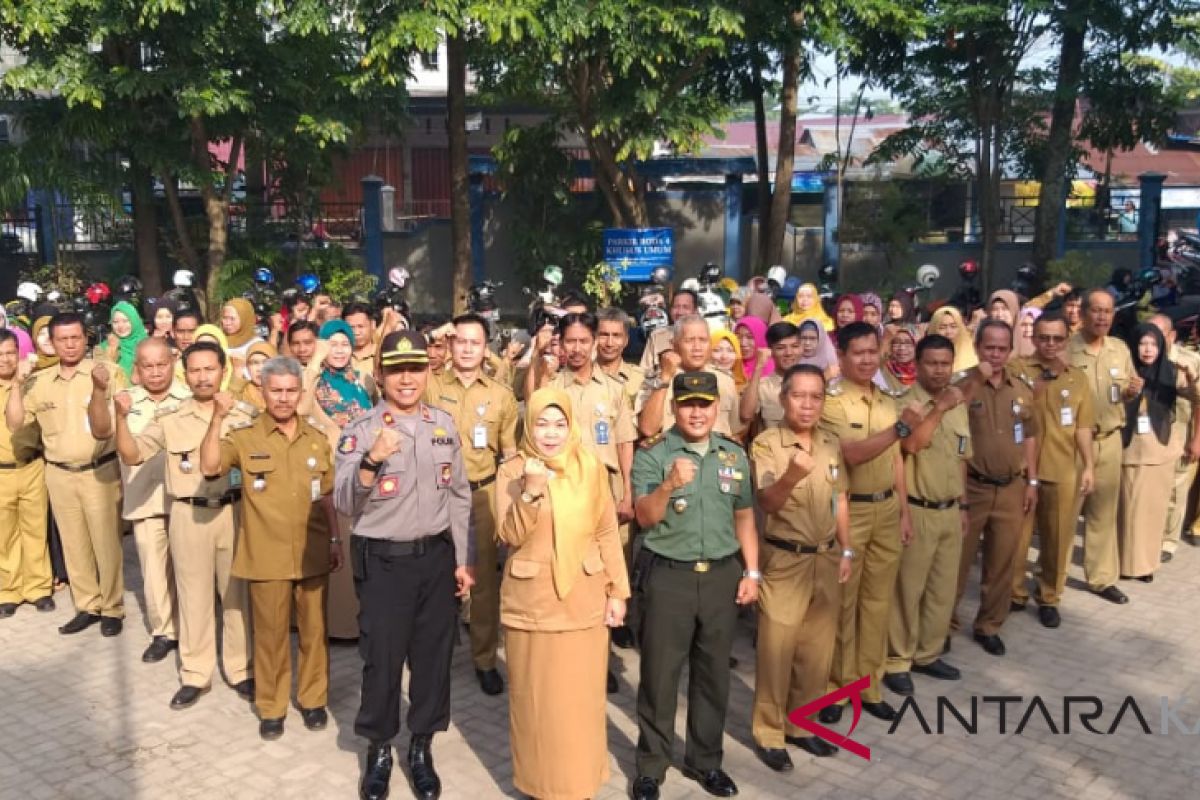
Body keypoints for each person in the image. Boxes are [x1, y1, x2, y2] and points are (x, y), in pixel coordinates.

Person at [333, 330, 474, 800]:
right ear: (380, 375)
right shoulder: (361, 430)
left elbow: (459, 496)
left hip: (435, 559)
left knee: (434, 659)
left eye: (415, 368)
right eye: (397, 370)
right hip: (384, 561)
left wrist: (461, 559)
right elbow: (345, 501)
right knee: (382, 660)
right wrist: (372, 459)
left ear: (428, 371)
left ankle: (421, 746)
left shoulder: (444, 425)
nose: (407, 378)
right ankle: (378, 748)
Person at [630, 371, 760, 800]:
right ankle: (651, 767)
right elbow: (645, 516)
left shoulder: (732, 455)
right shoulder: (654, 454)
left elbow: (744, 516)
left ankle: (706, 762)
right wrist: (669, 483)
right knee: (660, 677)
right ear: (675, 407)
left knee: (712, 677)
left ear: (715, 407)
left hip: (722, 575)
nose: (698, 412)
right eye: (689, 404)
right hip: (669, 577)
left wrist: (752, 571)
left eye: (705, 404)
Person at [495, 387, 630, 799]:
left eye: (559, 423)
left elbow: (606, 532)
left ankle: (579, 785)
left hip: (584, 602)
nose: (551, 433)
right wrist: (532, 491)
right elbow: (508, 534)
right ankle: (541, 787)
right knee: (536, 706)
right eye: (541, 423)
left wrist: (618, 591)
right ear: (528, 425)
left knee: (579, 706)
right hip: (532, 605)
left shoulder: (589, 466)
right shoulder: (512, 471)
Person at [199, 356, 339, 740]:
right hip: (266, 555)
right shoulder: (244, 439)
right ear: (261, 392)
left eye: (290, 390)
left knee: (314, 633)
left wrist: (334, 537)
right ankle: (272, 706)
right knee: (271, 636)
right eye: (275, 390)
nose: (282, 398)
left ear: (301, 392)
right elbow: (210, 466)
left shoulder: (315, 438)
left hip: (311, 551)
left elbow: (326, 495)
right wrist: (215, 419)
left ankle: (313, 701)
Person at [109, 341, 255, 709]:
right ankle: (195, 672)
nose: (203, 377)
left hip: (233, 513)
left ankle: (240, 668)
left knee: (236, 595)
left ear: (224, 371)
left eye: (210, 369)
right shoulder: (170, 418)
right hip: (188, 515)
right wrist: (121, 419)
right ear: (184, 375)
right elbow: (132, 453)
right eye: (195, 370)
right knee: (192, 597)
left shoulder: (246, 415)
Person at [749, 365, 851, 769]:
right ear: (783, 398)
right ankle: (769, 732)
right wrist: (791, 475)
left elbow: (839, 498)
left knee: (816, 652)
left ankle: (802, 725)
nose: (808, 404)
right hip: (785, 560)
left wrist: (847, 549)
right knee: (777, 651)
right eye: (799, 395)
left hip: (825, 558)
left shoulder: (830, 443)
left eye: (816, 396)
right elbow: (767, 503)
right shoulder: (767, 444)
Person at [818, 321, 920, 723]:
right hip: (851, 511)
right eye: (857, 352)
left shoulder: (886, 398)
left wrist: (905, 510)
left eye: (871, 351)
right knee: (843, 605)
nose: (866, 359)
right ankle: (837, 690)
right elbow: (851, 455)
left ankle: (869, 685)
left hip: (886, 510)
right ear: (841, 357)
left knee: (878, 604)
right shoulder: (833, 401)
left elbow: (896, 458)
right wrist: (899, 429)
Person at [6, 312, 127, 636]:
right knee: (74, 544)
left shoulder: (108, 373)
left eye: (75, 337)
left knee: (106, 543)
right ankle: (87, 604)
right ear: (53, 343)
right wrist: (17, 385)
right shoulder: (40, 382)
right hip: (58, 473)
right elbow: (16, 423)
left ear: (85, 338)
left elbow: (119, 422)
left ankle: (112, 606)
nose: (70, 344)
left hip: (99, 471)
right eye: (63, 339)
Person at [423, 313, 519, 696]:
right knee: (433, 579)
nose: (466, 348)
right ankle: (433, 658)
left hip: (482, 494)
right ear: (449, 344)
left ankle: (483, 659)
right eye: (459, 341)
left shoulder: (501, 396)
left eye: (474, 342)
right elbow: (391, 371)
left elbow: (509, 452)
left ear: (486, 348)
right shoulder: (428, 385)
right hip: (434, 494)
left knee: (482, 584)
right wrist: (431, 334)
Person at [883, 335, 970, 697]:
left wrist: (963, 505)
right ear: (917, 365)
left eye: (945, 363)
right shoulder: (906, 404)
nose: (939, 370)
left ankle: (928, 653)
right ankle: (898, 660)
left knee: (941, 589)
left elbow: (962, 456)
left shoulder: (959, 404)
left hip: (950, 509)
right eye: (932, 363)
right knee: (908, 589)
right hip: (917, 509)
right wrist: (939, 408)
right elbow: (911, 445)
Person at [96, 338, 190, 663]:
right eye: (147, 366)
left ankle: (193, 631)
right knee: (153, 572)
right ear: (137, 368)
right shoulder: (125, 401)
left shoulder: (191, 398)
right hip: (145, 501)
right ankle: (164, 632)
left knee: (189, 572)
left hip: (186, 503)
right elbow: (101, 431)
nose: (154, 372)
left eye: (160, 364)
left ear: (172, 363)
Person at [953, 320, 1038, 657]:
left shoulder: (1021, 387)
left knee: (1002, 563)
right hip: (973, 488)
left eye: (1003, 348)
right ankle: (945, 624)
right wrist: (978, 376)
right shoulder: (963, 386)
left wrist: (1032, 480)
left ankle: (989, 625)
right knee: (958, 563)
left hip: (1011, 488)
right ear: (977, 347)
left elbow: (1030, 435)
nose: (996, 355)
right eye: (990, 347)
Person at [1010, 315, 1095, 628]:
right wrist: (1039, 385)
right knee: (1017, 538)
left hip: (1062, 469)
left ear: (1066, 339)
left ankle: (1049, 596)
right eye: (1044, 337)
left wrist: (1088, 465)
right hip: (1022, 468)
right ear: (1033, 338)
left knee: (1058, 538)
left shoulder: (1078, 378)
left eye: (1057, 339)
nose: (1050, 344)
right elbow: (1012, 411)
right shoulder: (1017, 369)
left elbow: (1084, 426)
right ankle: (1014, 592)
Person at [1067, 289, 1139, 604]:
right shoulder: (1067, 349)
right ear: (1083, 313)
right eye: (1095, 310)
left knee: (1103, 513)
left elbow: (1126, 388)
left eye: (1107, 311)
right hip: (1072, 444)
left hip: (1109, 441)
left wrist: (1131, 392)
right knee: (1065, 515)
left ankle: (1100, 579)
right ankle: (1051, 585)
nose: (1101, 317)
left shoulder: (1120, 349)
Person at [1119, 324, 1200, 581]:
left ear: (1162, 346)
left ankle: (1146, 565)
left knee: (1154, 512)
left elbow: (1195, 396)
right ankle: (1125, 564)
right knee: (1129, 511)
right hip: (1131, 450)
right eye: (1143, 343)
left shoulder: (1171, 372)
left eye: (1153, 344)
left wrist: (1192, 379)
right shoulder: (1126, 369)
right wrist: (1129, 392)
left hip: (1161, 451)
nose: (1147, 349)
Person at [0, 329, 53, 617]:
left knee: (35, 529)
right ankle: (9, 590)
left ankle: (38, 588)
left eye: (9, 353)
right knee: (4, 536)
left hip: (31, 466)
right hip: (1, 474)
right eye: (0, 354)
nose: (4, 359)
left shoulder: (32, 384)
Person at [638, 315, 741, 439]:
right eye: (689, 340)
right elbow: (648, 429)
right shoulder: (657, 381)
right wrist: (664, 380)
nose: (697, 348)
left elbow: (736, 430)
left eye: (703, 340)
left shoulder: (725, 381)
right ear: (674, 345)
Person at [1149, 314, 1200, 560]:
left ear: (1172, 336)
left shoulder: (1190, 361)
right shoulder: (1141, 357)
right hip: (1149, 434)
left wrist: (1197, 439)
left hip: (1181, 431)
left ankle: (1167, 542)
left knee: (1176, 490)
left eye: (1160, 334)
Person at [739, 321, 804, 431]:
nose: (789, 353)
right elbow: (746, 415)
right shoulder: (762, 386)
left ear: (802, 348)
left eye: (795, 346)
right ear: (770, 351)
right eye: (780, 348)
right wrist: (759, 366)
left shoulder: (813, 383)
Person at [596, 308, 645, 416]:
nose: (609, 343)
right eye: (603, 335)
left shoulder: (641, 379)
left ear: (626, 340)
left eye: (616, 335)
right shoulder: (581, 376)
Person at [638, 288, 699, 373]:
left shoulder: (705, 336)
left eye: (685, 307)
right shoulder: (657, 336)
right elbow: (644, 372)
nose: (680, 312)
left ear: (695, 311)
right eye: (676, 307)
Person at [100, 301, 148, 379]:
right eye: (115, 322)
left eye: (125, 321)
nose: (120, 326)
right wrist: (112, 350)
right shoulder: (104, 347)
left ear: (135, 321)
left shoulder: (148, 345)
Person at [928, 306, 979, 372]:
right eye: (942, 327)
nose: (948, 332)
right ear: (934, 329)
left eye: (953, 326)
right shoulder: (926, 357)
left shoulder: (973, 356)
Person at [236, 341, 276, 411]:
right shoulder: (241, 392)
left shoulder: (286, 391)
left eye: (266, 362)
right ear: (247, 366)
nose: (260, 369)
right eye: (254, 363)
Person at [734, 317, 773, 385]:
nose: (743, 343)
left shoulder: (773, 369)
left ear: (761, 338)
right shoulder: (730, 363)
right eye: (738, 337)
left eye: (750, 337)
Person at [342, 302, 378, 377]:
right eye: (351, 327)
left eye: (361, 326)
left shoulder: (382, 354)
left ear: (373, 325)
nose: (356, 332)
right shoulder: (338, 356)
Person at [881, 326, 918, 391]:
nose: (902, 347)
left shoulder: (924, 373)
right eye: (896, 343)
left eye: (908, 343)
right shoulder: (883, 370)